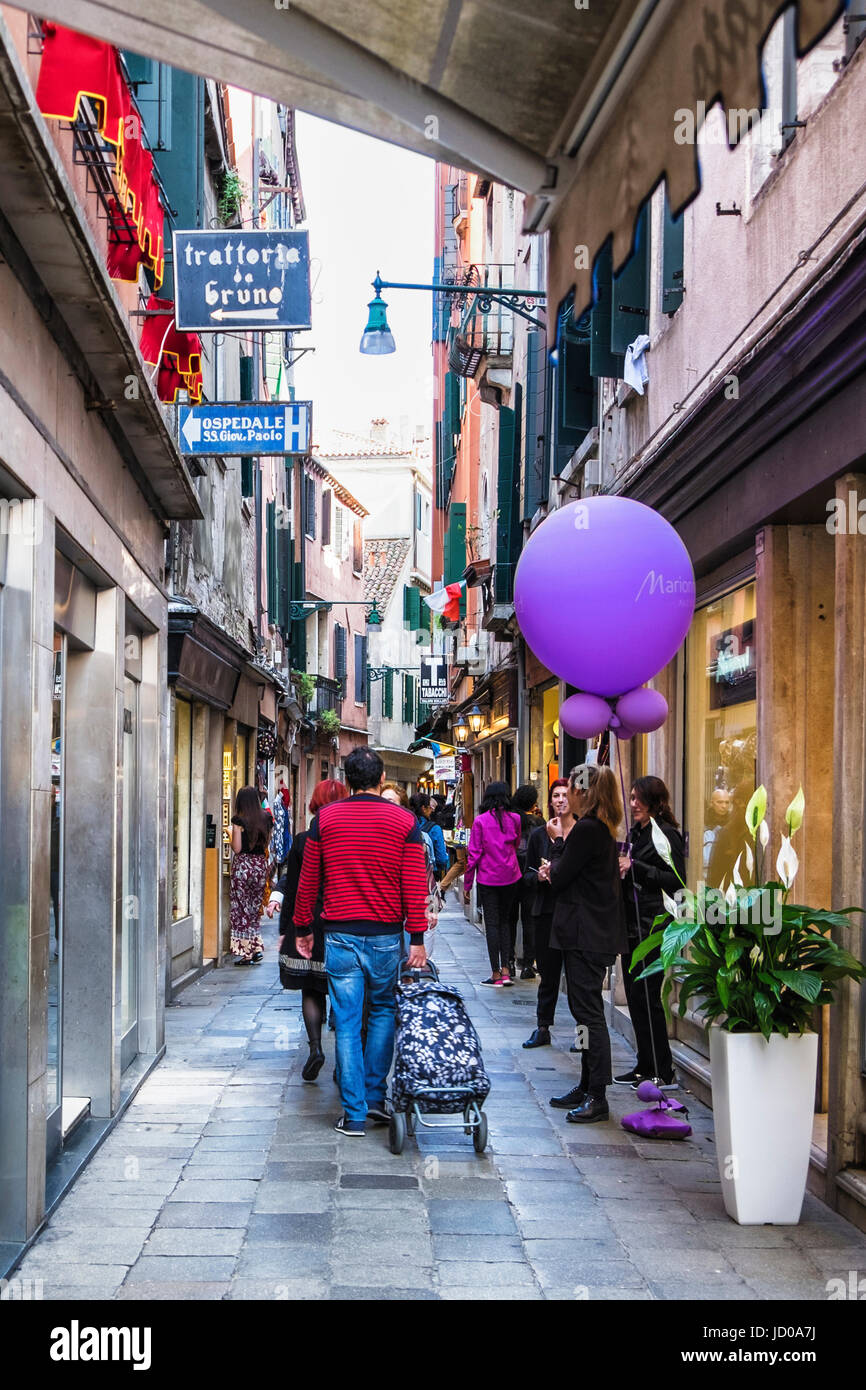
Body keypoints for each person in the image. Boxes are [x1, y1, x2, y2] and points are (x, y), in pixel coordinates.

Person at [293, 746, 428, 1137]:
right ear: (382, 779)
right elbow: (414, 884)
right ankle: (373, 1098)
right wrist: (416, 937)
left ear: (347, 780)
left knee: (348, 1022)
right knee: (383, 1010)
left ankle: (353, 1114)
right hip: (386, 935)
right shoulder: (405, 822)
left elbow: (308, 881)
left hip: (340, 935)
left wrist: (303, 928)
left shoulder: (326, 819)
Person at [539, 764, 627, 1123]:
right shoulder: (599, 830)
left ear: (583, 792)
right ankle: (587, 1082)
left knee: (588, 1014)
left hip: (585, 934)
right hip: (587, 933)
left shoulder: (587, 830)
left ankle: (597, 1093)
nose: (568, 794)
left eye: (573, 788)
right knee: (582, 1012)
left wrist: (555, 851)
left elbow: (562, 875)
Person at [268, 780, 349, 1082]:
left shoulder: (302, 840)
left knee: (311, 989)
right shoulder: (348, 837)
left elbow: (295, 888)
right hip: (340, 920)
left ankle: (315, 1048)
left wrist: (285, 929)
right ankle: (346, 1061)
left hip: (308, 922)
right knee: (343, 991)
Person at [617, 776, 685, 1088]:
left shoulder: (666, 834)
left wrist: (636, 868)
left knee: (649, 996)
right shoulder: (637, 833)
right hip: (631, 921)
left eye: (638, 799)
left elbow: (675, 880)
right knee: (634, 996)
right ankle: (644, 1063)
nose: (633, 805)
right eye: (630, 798)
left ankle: (662, 1067)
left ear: (653, 801)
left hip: (654, 923)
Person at [522, 778, 571, 1048]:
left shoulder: (579, 833)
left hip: (574, 914)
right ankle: (543, 1028)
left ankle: (582, 1035)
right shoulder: (539, 834)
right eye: (556, 795)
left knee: (577, 980)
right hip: (545, 912)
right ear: (549, 801)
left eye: (565, 795)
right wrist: (538, 878)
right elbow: (526, 875)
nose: (560, 800)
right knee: (548, 976)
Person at [464, 781, 522, 987]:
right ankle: (506, 970)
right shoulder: (515, 819)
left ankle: (496, 973)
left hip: (488, 879)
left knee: (492, 925)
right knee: (506, 922)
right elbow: (515, 845)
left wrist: (467, 884)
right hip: (511, 877)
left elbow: (474, 855)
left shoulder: (480, 822)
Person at [229, 786, 273, 965]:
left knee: (241, 910)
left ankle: (246, 952)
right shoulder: (266, 818)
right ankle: (255, 947)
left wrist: (233, 834)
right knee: (254, 910)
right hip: (259, 866)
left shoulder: (238, 820)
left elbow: (237, 848)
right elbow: (267, 843)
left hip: (243, 867)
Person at [511, 783, 546, 978]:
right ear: (533, 803)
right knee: (529, 919)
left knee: (510, 918)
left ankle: (508, 958)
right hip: (531, 873)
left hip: (512, 872)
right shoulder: (539, 823)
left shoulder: (511, 819)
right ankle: (527, 963)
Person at [409, 791, 450, 878]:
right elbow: (441, 859)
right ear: (424, 808)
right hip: (428, 875)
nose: (431, 810)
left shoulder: (405, 824)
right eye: (430, 807)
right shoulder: (435, 829)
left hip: (408, 873)